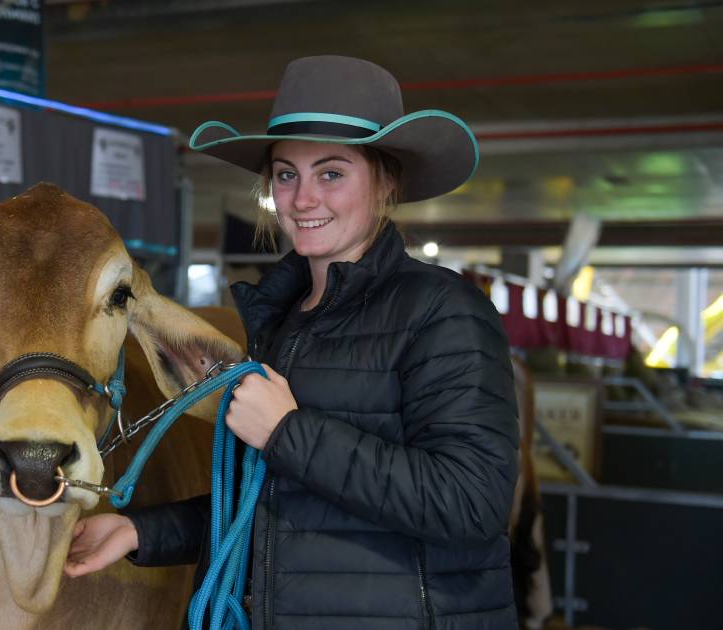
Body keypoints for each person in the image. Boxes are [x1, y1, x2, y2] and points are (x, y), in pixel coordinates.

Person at [64, 55, 520, 629]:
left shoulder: (444, 311)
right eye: (286, 175)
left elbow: (471, 502)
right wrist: (141, 530)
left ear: (384, 180)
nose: (303, 199)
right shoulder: (281, 323)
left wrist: (288, 432)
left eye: (331, 173)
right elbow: (277, 508)